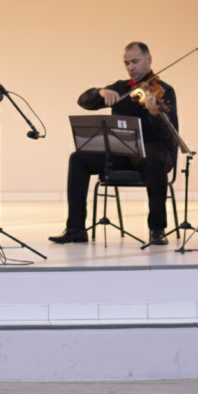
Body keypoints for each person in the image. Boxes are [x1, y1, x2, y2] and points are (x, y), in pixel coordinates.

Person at [49, 41, 178, 245]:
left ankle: (157, 229)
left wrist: (155, 114)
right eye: (127, 63)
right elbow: (83, 101)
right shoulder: (120, 89)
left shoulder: (165, 92)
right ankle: (75, 228)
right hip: (123, 152)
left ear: (148, 59)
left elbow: (169, 135)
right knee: (78, 158)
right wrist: (99, 92)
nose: (130, 67)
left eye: (135, 61)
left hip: (153, 154)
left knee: (154, 158)